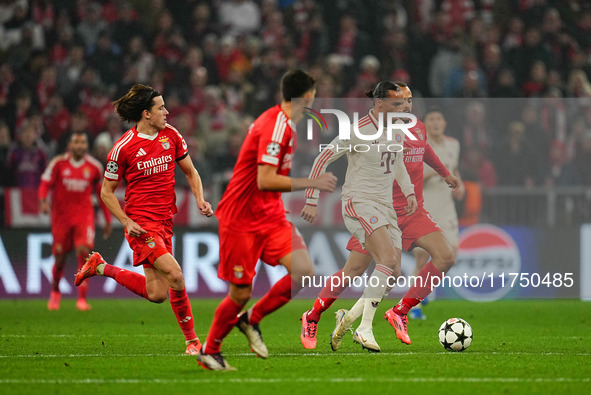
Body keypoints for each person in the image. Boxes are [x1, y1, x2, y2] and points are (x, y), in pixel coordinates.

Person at [300, 82, 459, 351]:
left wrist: (412, 191)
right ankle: (341, 323)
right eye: (398, 103)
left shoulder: (402, 129)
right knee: (368, 267)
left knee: (398, 269)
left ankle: (356, 317)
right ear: (379, 104)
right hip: (362, 205)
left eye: (407, 102)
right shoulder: (357, 131)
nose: (405, 107)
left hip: (395, 210)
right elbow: (321, 158)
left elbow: (399, 163)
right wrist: (311, 200)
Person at [197, 70, 337, 371]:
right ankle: (210, 350)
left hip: (269, 214)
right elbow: (265, 179)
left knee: (303, 271)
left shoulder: (286, 125)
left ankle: (251, 319)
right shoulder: (276, 126)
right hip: (241, 218)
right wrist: (311, 182)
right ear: (308, 96)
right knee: (241, 292)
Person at [74, 83, 213, 356]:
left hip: (165, 222)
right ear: (146, 114)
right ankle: (193, 342)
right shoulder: (122, 148)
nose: (167, 112)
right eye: (161, 108)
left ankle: (100, 267)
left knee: (158, 294)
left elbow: (191, 171)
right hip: (141, 225)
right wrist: (126, 222)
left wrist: (199, 198)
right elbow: (106, 192)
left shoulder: (171, 135)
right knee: (176, 275)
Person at [39, 131, 113, 311]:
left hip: (84, 216)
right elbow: (45, 184)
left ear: (87, 146)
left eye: (82, 143)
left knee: (83, 252)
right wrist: (43, 201)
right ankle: (55, 291)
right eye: (76, 142)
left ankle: (81, 298)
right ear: (70, 146)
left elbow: (102, 194)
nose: (79, 146)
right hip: (61, 218)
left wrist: (108, 219)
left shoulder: (94, 167)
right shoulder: (58, 163)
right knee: (60, 259)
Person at [410, 108, 464, 320]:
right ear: (425, 124)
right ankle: (414, 306)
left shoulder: (454, 145)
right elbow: (410, 178)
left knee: (451, 255)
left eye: (438, 118)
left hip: (447, 207)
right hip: (425, 208)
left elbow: (455, 169)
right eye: (431, 119)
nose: (435, 123)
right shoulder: (417, 145)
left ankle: (423, 290)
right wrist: (436, 171)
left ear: (444, 123)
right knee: (422, 258)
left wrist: (460, 186)